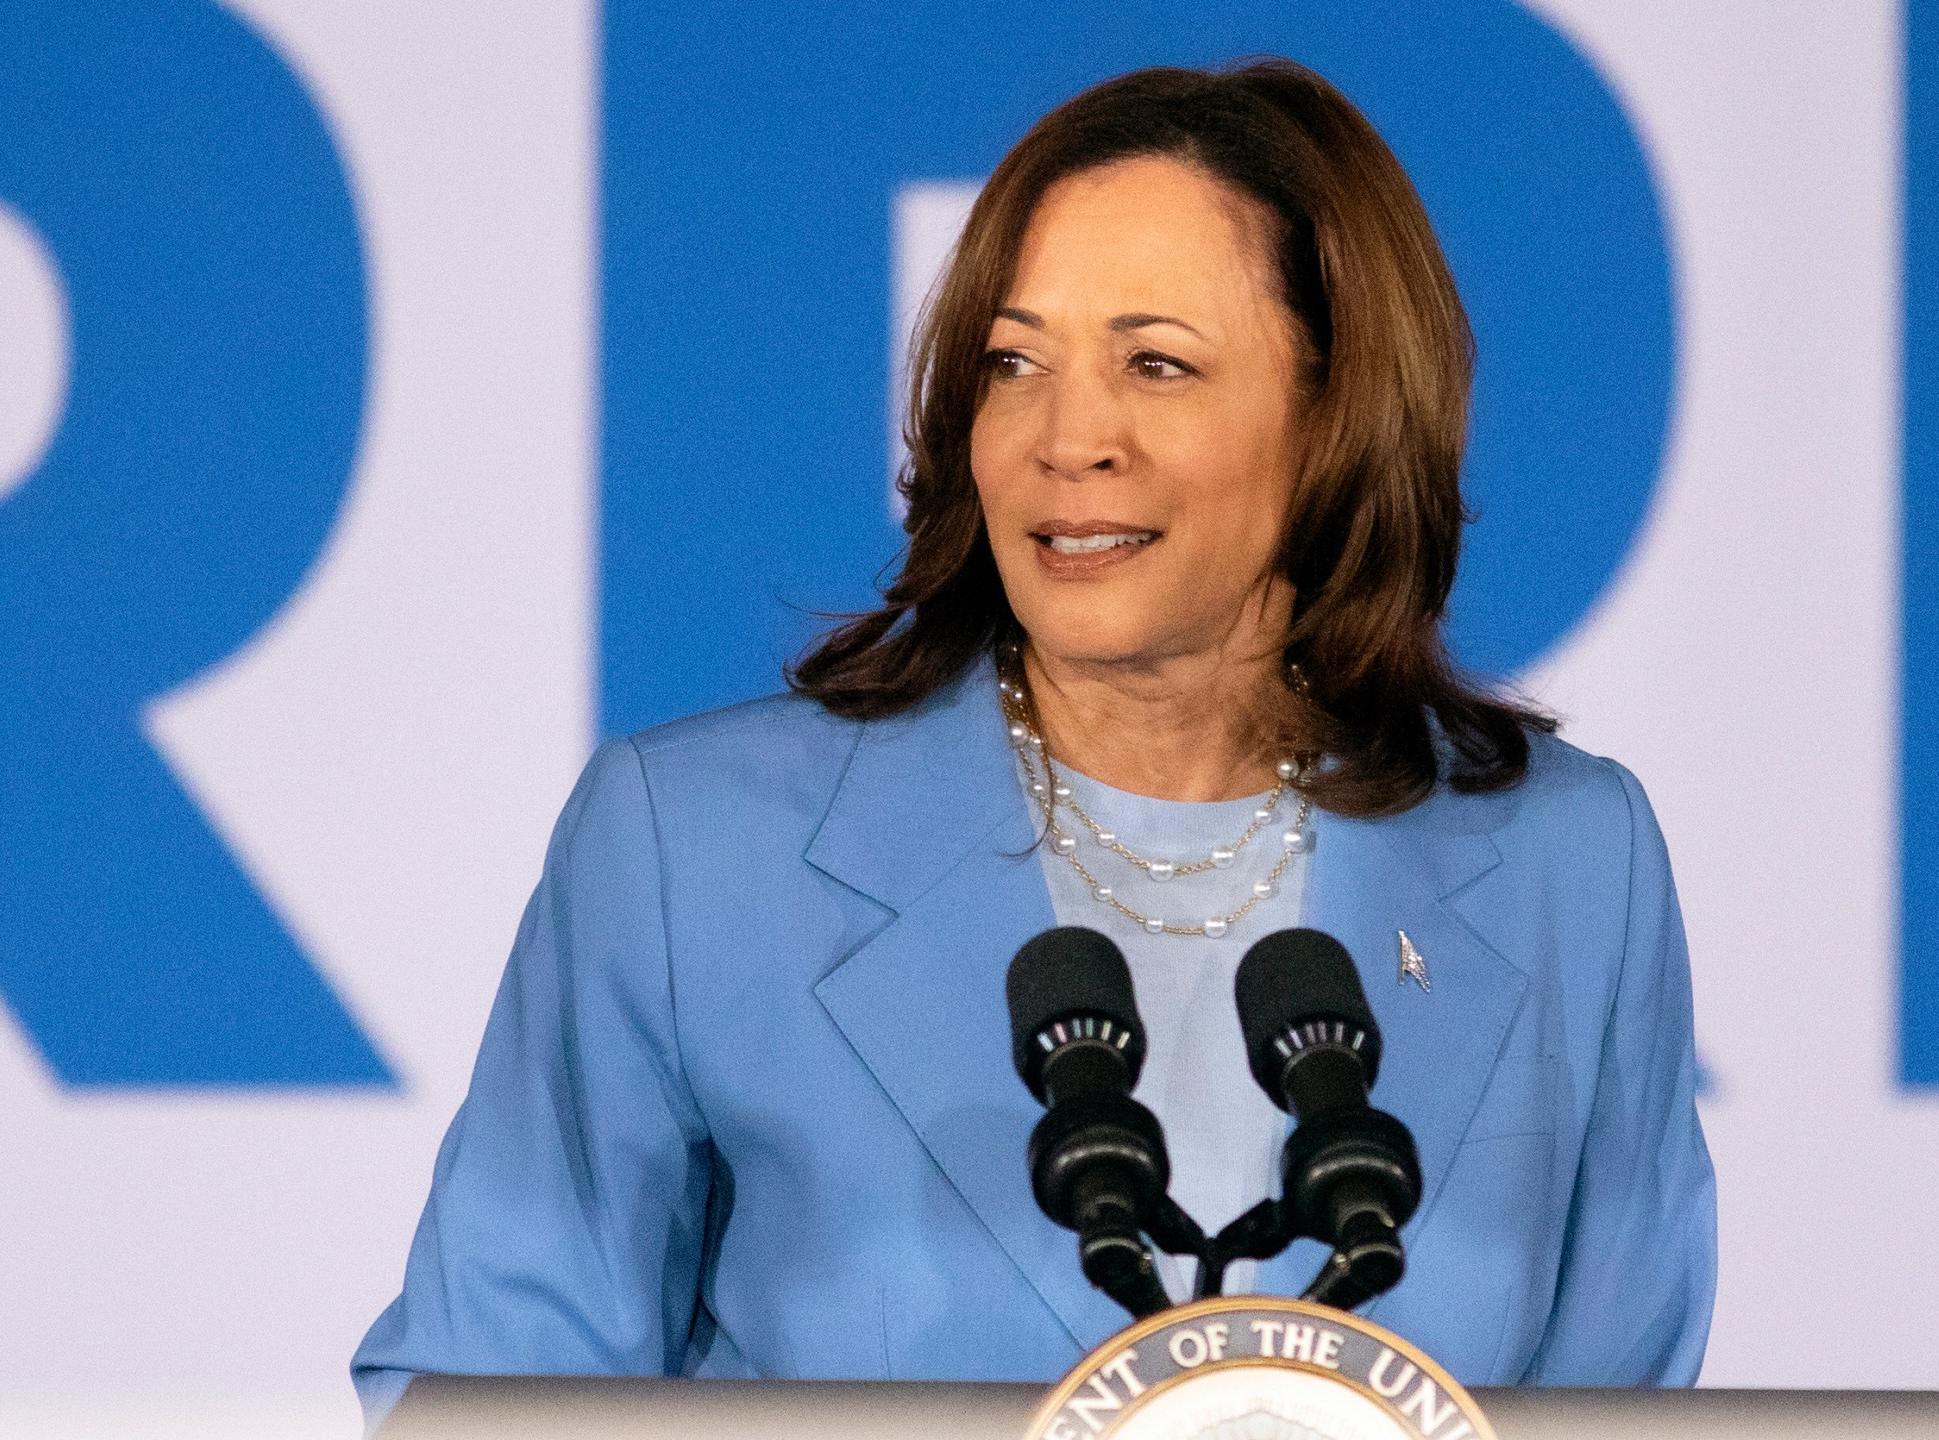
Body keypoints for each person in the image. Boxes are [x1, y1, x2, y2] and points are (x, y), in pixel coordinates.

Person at [353, 58, 1713, 1427]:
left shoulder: (1568, 871)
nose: (1067, 439)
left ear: (1335, 415)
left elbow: (1625, 1416)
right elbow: (477, 1404)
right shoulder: (694, 853)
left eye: (1156, 365)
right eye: (1014, 362)